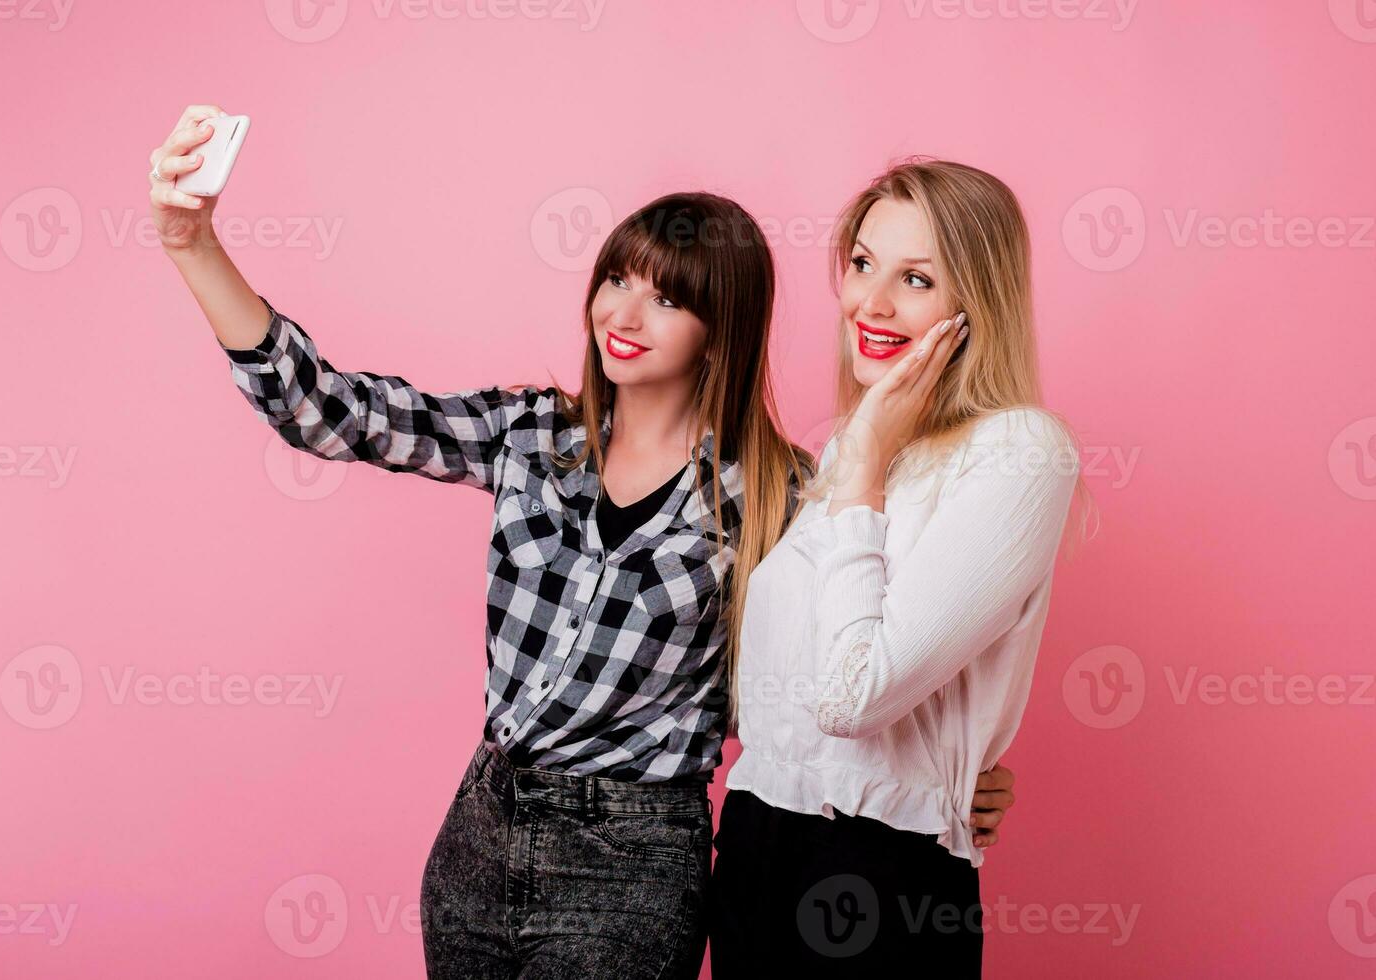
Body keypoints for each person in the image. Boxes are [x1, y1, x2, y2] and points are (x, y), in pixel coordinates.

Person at [148, 107, 1021, 978]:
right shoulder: (529, 432)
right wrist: (194, 245)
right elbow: (334, 412)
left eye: (669, 297)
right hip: (478, 836)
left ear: (722, 329)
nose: (626, 313)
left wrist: (950, 778)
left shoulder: (780, 493)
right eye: (617, 280)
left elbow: (845, 664)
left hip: (633, 863)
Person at [708, 159, 1089, 978]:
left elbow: (853, 699)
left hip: (874, 873)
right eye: (861, 263)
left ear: (974, 303)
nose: (870, 304)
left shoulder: (1017, 450)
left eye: (915, 278)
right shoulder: (852, 447)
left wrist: (869, 469)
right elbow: (776, 701)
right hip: (753, 847)